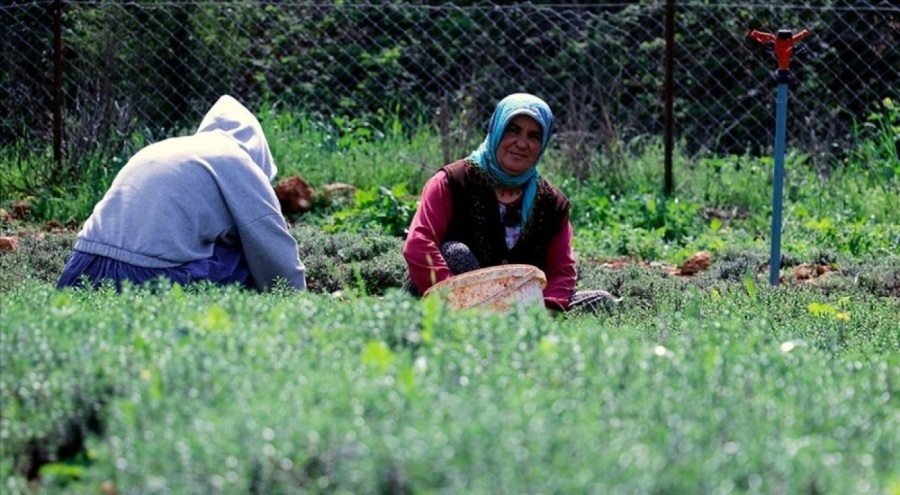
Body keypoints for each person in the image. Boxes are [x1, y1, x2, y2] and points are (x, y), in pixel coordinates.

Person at [57, 94, 306, 292]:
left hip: (80, 270)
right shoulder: (237, 161)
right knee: (250, 253)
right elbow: (276, 257)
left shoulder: (170, 149)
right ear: (258, 150)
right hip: (144, 277)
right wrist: (298, 309)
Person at [402, 92, 614, 313]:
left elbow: (562, 270)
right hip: (446, 301)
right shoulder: (452, 182)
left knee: (600, 301)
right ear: (496, 131)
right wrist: (459, 302)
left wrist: (545, 310)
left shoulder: (552, 204)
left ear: (542, 144)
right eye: (512, 130)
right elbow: (419, 244)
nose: (522, 143)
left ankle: (516, 331)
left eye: (533, 135)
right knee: (456, 253)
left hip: (515, 310)